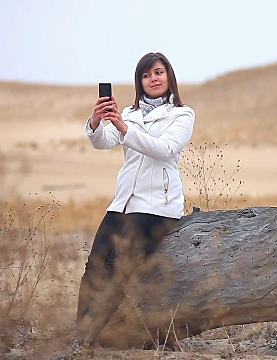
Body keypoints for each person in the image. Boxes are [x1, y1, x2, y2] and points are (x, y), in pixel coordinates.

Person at [74, 52, 195, 353]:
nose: (153, 79)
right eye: (146, 75)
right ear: (139, 82)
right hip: (123, 203)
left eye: (158, 73)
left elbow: (164, 149)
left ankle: (87, 339)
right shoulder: (130, 113)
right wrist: (97, 121)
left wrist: (126, 130)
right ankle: (79, 336)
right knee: (95, 266)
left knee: (119, 268)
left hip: (158, 206)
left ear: (169, 77)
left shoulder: (182, 115)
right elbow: (104, 142)